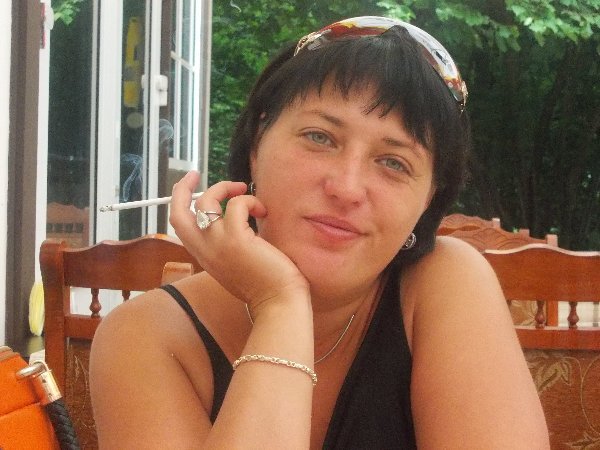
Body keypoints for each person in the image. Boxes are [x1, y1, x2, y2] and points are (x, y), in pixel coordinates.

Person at [90, 16, 549, 448]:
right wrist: (280, 304)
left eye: (393, 162)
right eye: (320, 137)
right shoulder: (145, 335)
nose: (346, 188)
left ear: (428, 200)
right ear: (256, 146)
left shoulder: (446, 283)